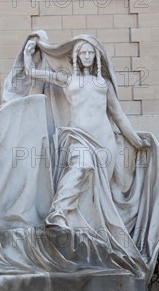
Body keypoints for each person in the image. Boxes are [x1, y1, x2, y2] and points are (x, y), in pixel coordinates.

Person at [21, 35, 150, 228]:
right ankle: (58, 213)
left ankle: (90, 234)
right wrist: (27, 53)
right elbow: (32, 72)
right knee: (81, 167)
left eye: (91, 53)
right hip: (79, 138)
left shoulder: (104, 85)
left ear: (96, 56)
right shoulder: (68, 80)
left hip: (105, 141)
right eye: (83, 53)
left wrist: (135, 139)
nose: (87, 56)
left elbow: (118, 115)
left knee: (97, 193)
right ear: (77, 56)